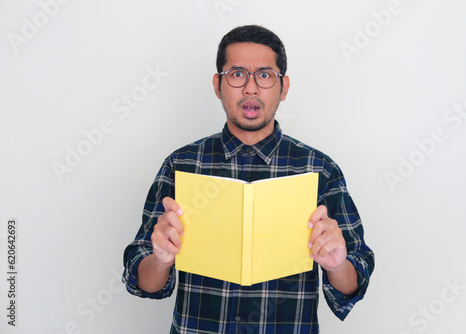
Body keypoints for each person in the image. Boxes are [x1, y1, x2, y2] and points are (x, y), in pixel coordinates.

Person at [123, 24, 375, 333]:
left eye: (265, 75)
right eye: (237, 74)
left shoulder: (319, 170)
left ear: (283, 87)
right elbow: (145, 282)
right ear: (218, 85)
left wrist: (337, 265)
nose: (251, 89)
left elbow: (353, 282)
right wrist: (161, 257)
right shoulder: (181, 165)